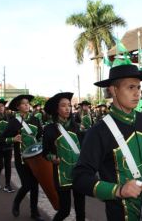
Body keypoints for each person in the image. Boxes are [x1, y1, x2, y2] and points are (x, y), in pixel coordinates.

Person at [73, 55, 142, 220]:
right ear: (113, 90)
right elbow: (80, 177)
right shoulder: (98, 132)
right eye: (130, 87)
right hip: (121, 214)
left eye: (139, 87)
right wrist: (118, 190)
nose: (137, 93)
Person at [0, 94, 43, 220]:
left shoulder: (35, 119)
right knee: (27, 185)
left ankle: (34, 213)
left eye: (28, 103)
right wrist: (13, 139)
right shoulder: (14, 122)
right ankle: (17, 202)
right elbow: (1, 140)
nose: (27, 105)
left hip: (35, 158)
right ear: (18, 107)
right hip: (21, 160)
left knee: (35, 186)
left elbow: (40, 135)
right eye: (23, 103)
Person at [43, 92, 85, 221]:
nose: (68, 108)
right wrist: (52, 158)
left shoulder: (77, 127)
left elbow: (84, 149)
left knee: (81, 211)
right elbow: (45, 152)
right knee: (65, 210)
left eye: (69, 105)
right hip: (62, 175)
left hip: (78, 173)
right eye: (63, 106)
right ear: (57, 109)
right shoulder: (49, 129)